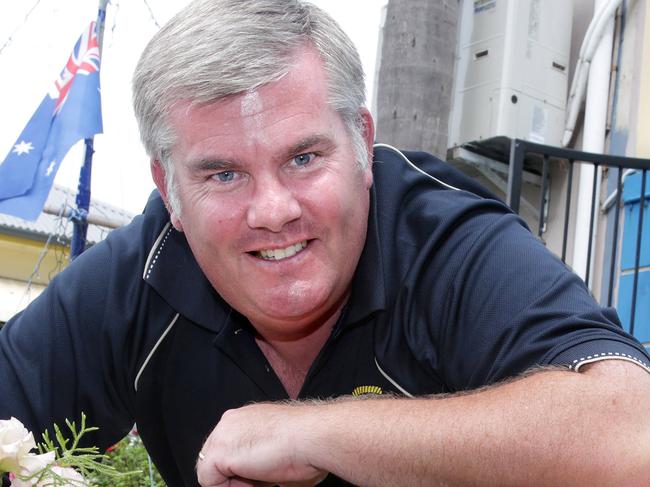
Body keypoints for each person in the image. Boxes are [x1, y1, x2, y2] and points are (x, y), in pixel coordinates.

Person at [1, 0, 649, 485]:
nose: (274, 210)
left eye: (305, 157)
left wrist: (310, 430)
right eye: (223, 174)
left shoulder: (439, 239)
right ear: (170, 192)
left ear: (362, 144)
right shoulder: (139, 276)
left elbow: (632, 432)